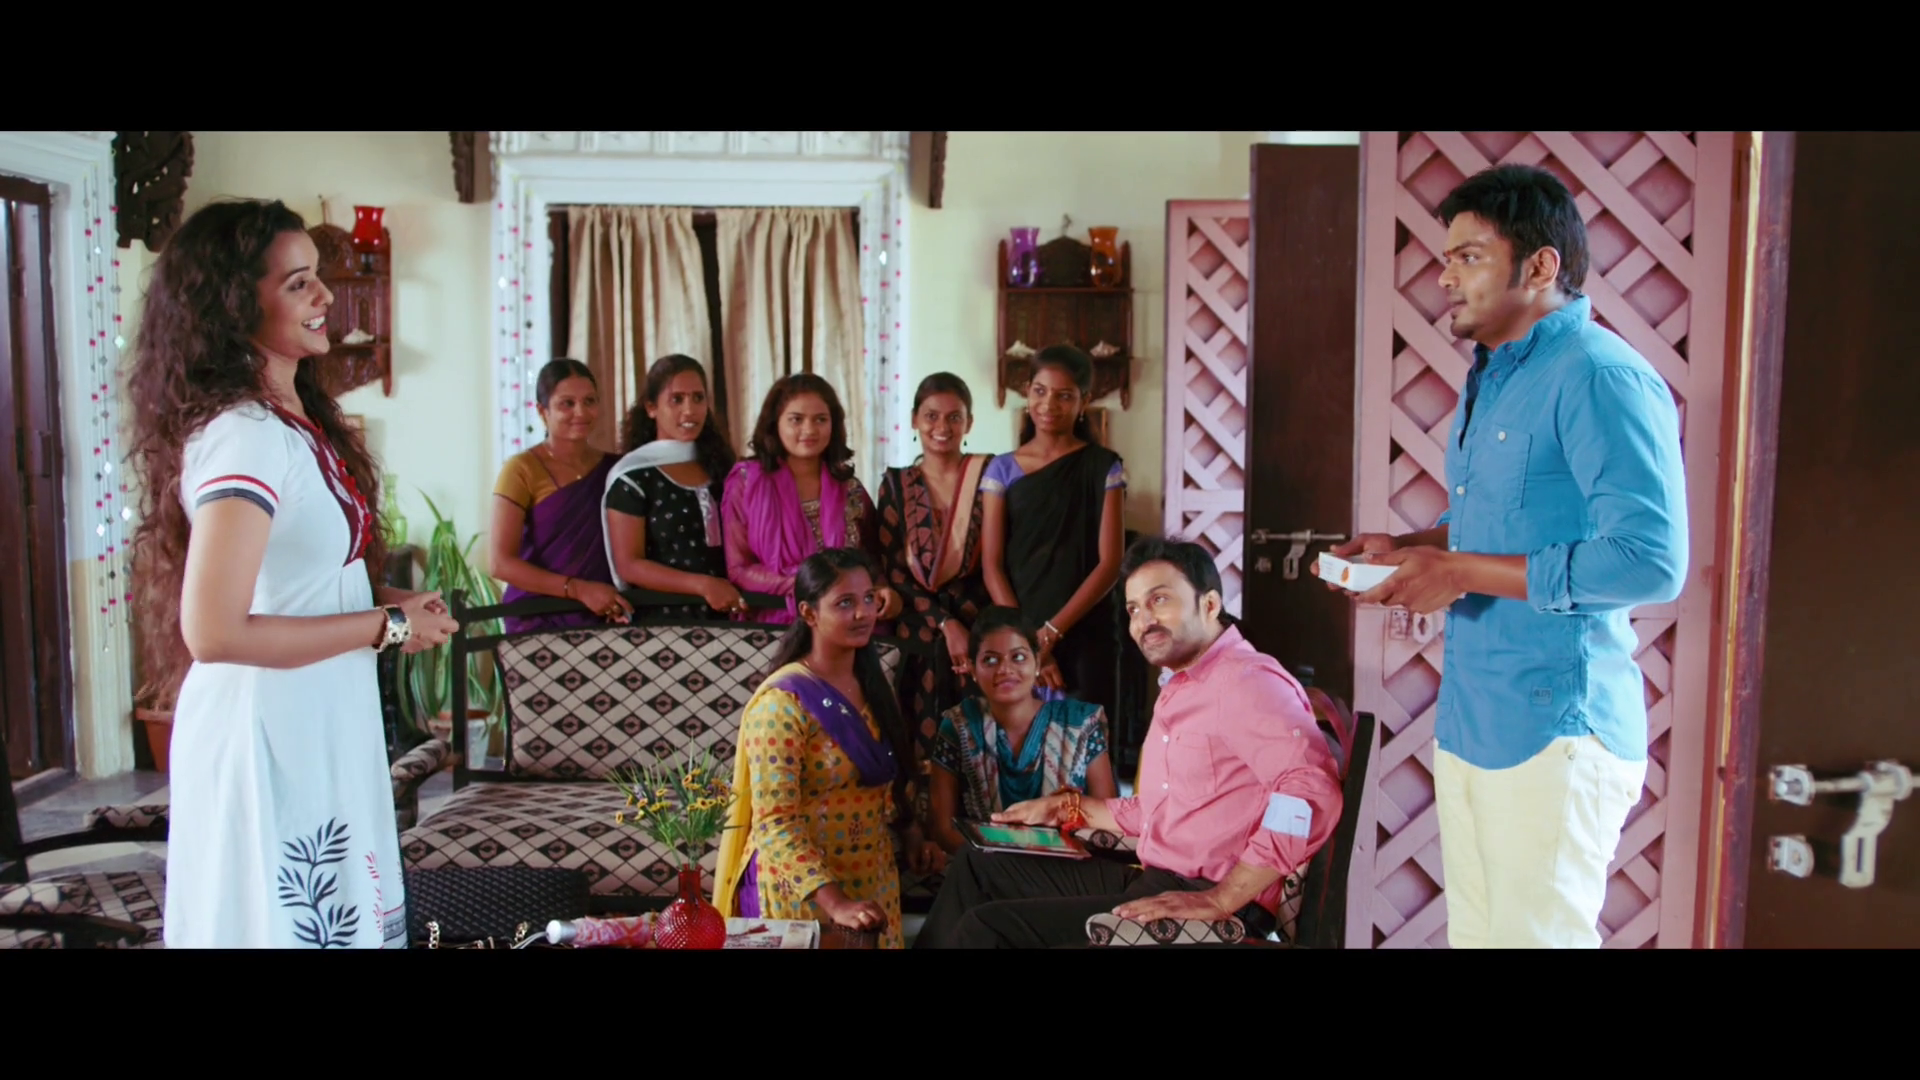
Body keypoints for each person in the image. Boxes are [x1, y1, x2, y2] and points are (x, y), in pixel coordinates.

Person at [1317, 164, 1687, 949]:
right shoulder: (1492, 378)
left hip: (1557, 726)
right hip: (1474, 716)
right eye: (1446, 259)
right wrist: (1410, 549)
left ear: (1541, 266)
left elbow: (1649, 560)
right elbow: (1494, 526)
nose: (1445, 277)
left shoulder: (1601, 374)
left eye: (1469, 257)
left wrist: (1455, 574)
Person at [126, 198, 460, 948]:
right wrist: (387, 625)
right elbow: (213, 631)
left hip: (318, 713)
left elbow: (298, 580)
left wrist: (391, 601)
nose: (326, 297)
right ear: (234, 303)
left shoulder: (293, 420)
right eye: (299, 282)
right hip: (269, 730)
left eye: (318, 277)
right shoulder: (244, 436)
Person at [914, 536, 1342, 949]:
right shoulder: (1184, 685)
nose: (1143, 621)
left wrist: (1223, 898)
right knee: (978, 865)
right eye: (1134, 608)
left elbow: (1311, 791)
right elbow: (1160, 810)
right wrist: (1064, 808)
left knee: (988, 929)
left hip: (1206, 901)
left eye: (1160, 600)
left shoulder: (1246, 681)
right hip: (1159, 876)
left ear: (1210, 604)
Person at [712, 549, 941, 949]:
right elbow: (775, 824)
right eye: (845, 603)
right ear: (809, 613)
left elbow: (886, 779)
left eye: (868, 598)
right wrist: (836, 903)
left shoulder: (872, 687)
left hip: (872, 881)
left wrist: (912, 833)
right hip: (802, 895)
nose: (863, 613)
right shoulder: (782, 705)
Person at [980, 345, 1125, 722]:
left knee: (1086, 743)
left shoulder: (1103, 467)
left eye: (1064, 395)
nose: (1049, 404)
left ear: (1084, 402)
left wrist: (1051, 634)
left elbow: (1110, 563)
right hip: (1018, 635)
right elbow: (991, 565)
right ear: (1027, 392)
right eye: (1040, 391)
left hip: (1087, 632)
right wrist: (1027, 642)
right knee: (1020, 746)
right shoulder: (1001, 469)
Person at [926, 606, 1117, 855]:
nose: (1005, 669)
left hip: (1068, 868)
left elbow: (1107, 823)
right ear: (972, 668)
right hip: (986, 868)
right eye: (990, 660)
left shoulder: (1082, 724)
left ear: (1037, 662)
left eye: (1018, 657)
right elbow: (944, 830)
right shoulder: (959, 724)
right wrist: (1003, 865)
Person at [875, 373, 994, 752]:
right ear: (914, 419)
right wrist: (944, 622)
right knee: (919, 739)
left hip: (979, 621)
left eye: (954, 417)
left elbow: (1001, 558)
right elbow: (892, 569)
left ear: (969, 423)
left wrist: (967, 627)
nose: (942, 427)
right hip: (918, 626)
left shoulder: (989, 476)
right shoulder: (895, 484)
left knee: (981, 739)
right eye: (931, 416)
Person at [721, 373, 898, 625]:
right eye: (796, 419)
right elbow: (739, 569)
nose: (809, 430)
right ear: (775, 424)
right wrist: (810, 586)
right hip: (774, 623)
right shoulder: (746, 483)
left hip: (850, 621)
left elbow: (872, 561)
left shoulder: (850, 488)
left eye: (820, 419)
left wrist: (881, 589)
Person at [489, 359, 633, 632]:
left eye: (589, 401)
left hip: (604, 613)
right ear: (542, 411)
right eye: (567, 403)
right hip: (537, 616)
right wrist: (578, 590)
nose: (581, 412)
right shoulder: (521, 469)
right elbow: (500, 563)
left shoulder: (616, 469)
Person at [601, 354, 746, 621]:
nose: (689, 410)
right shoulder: (633, 476)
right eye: (677, 399)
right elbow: (629, 565)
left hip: (728, 618)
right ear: (651, 408)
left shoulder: (722, 467)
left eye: (698, 398)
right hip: (663, 623)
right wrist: (702, 586)